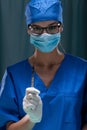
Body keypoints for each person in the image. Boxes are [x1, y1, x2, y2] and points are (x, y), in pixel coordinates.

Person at [0, 0, 87, 130]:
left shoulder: (82, 70)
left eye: (52, 27)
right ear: (29, 30)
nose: (45, 35)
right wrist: (31, 119)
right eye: (37, 29)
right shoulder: (14, 75)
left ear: (61, 27)